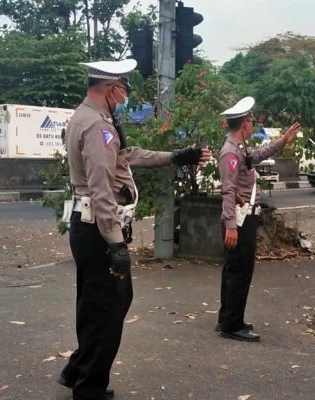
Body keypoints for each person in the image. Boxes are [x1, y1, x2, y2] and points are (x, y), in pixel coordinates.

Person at [59, 58, 210, 400]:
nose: (126, 97)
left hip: (90, 228)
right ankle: (89, 389)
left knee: (99, 304)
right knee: (107, 308)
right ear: (111, 89)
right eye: (124, 90)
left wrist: (176, 156)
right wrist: (115, 244)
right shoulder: (98, 126)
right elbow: (101, 190)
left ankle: (77, 371)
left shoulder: (88, 117)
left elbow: (127, 156)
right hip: (99, 230)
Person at [217, 96, 301, 342]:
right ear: (244, 124)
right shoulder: (230, 153)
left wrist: (283, 141)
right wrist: (231, 226)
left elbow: (257, 156)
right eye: (251, 120)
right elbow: (228, 191)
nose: (253, 124)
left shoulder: (240, 148)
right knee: (239, 272)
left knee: (235, 270)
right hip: (239, 222)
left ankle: (229, 318)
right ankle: (231, 326)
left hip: (244, 219)